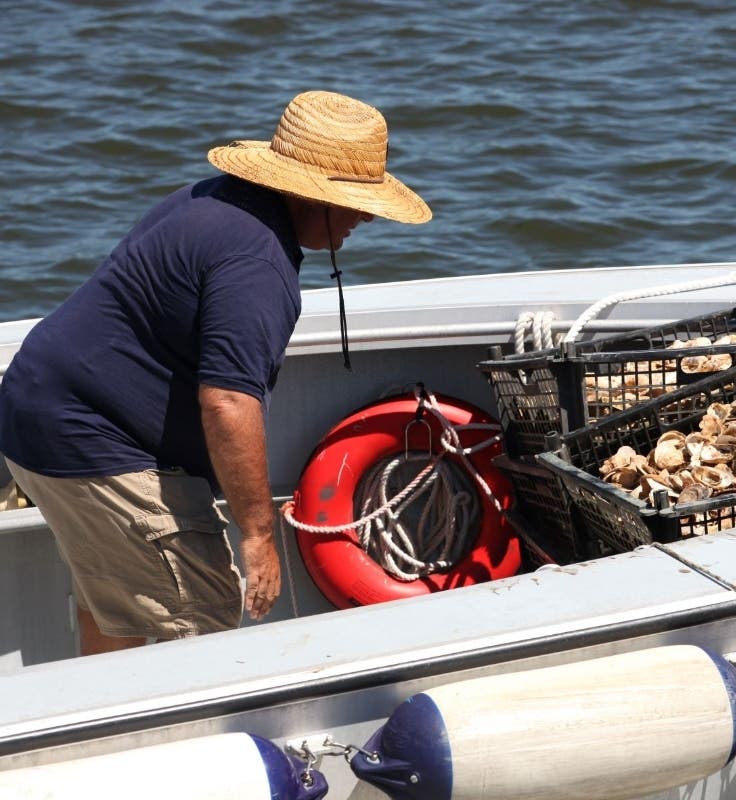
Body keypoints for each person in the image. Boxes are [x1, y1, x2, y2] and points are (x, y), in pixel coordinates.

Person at [0, 90, 431, 656]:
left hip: (33, 405)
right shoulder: (258, 264)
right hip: (91, 436)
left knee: (119, 608)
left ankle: (105, 720)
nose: (367, 216)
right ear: (312, 195)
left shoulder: (212, 199)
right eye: (355, 201)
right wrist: (257, 535)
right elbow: (228, 401)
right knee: (204, 619)